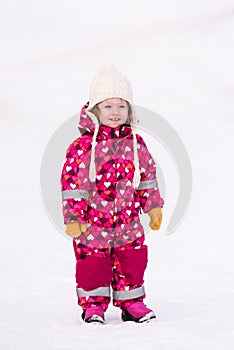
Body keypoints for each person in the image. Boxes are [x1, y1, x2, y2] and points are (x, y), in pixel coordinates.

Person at [61, 64, 164, 324]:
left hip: (128, 221)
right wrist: (74, 217)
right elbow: (73, 183)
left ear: (130, 110)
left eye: (121, 106)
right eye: (108, 106)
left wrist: (152, 207)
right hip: (94, 222)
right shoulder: (83, 147)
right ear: (94, 110)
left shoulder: (136, 143)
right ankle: (93, 305)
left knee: (132, 260)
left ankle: (132, 303)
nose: (115, 112)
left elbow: (147, 176)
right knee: (93, 264)